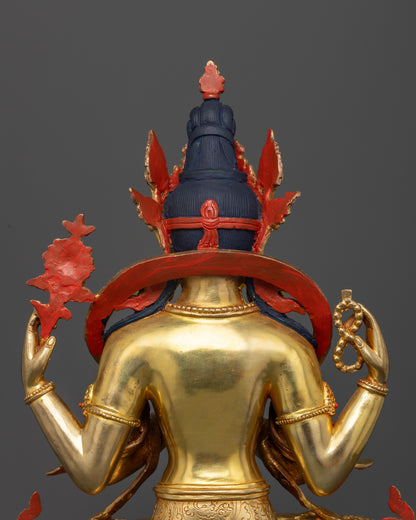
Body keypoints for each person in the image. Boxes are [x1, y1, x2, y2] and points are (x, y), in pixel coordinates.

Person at [22, 62, 389, 520]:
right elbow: (326, 474)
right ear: (258, 233)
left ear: (166, 233)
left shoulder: (134, 344)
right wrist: (374, 384)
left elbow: (90, 472)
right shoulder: (283, 346)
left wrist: (37, 388)